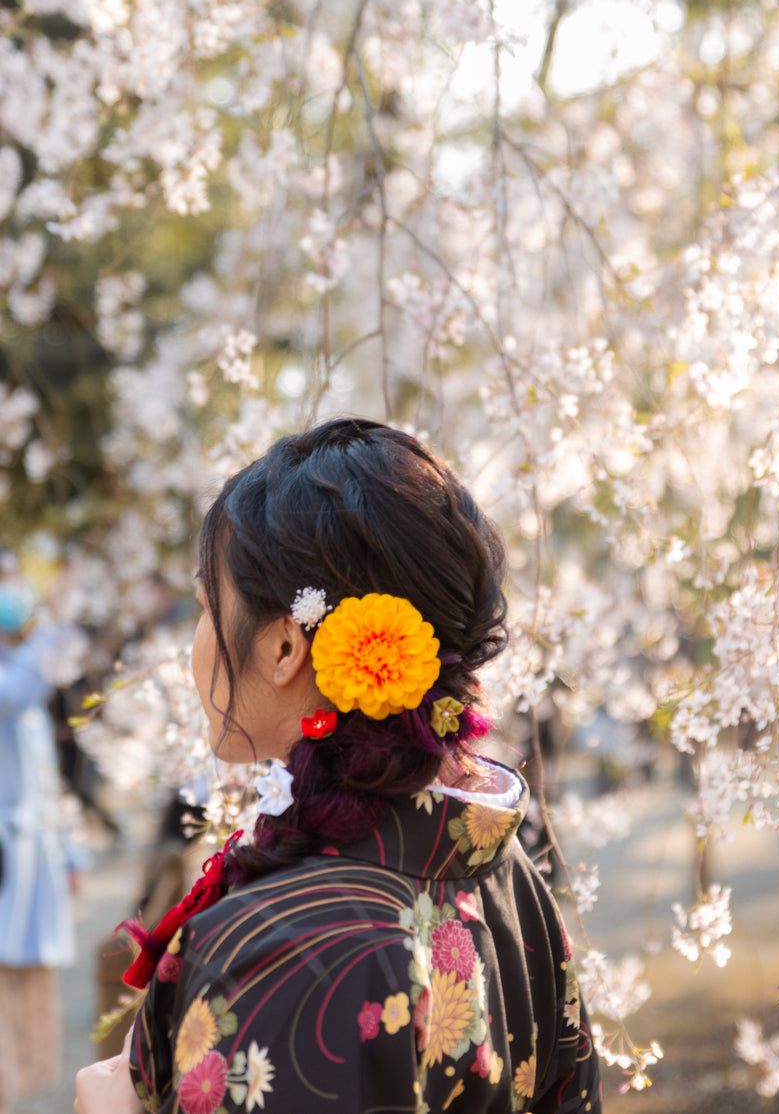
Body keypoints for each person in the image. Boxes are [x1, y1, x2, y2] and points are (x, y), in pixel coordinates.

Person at [75, 418, 601, 1114]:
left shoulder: (287, 949)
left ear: (286, 648)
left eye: (207, 607)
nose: (194, 645)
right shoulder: (500, 870)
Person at [0, 561, 85, 1112]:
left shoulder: (18, 666)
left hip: (35, 853)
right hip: (8, 858)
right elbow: (24, 688)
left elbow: (46, 778)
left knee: (30, 980)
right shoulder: (15, 679)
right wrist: (51, 619)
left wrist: (72, 852)